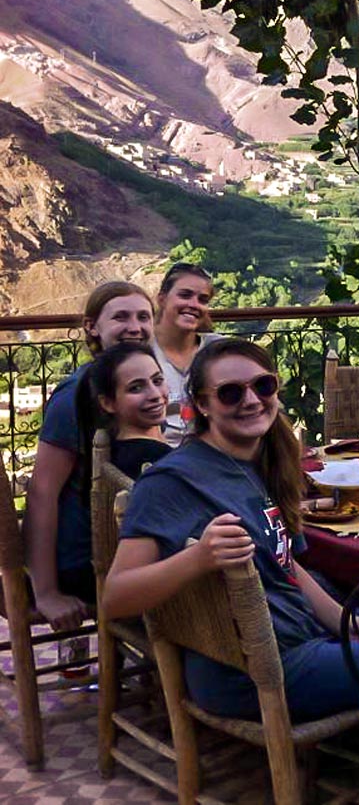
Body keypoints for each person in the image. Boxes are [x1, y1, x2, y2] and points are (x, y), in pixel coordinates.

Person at [102, 338, 359, 722]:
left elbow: (287, 567)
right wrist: (198, 558)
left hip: (302, 638)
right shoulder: (173, 482)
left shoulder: (261, 461)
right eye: (230, 393)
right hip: (249, 674)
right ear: (202, 405)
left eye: (263, 385)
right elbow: (115, 598)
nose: (251, 400)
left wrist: (350, 621)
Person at [23, 280, 155, 630]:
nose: (135, 326)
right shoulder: (76, 396)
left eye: (144, 316)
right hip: (89, 563)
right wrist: (47, 593)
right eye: (121, 317)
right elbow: (41, 494)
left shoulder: (134, 386)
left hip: (122, 548)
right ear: (92, 326)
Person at [151, 262, 221, 446]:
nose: (194, 305)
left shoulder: (218, 349)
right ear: (162, 299)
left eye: (203, 300)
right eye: (185, 295)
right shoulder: (141, 352)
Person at [88, 341, 172, 479]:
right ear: (108, 403)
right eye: (136, 388)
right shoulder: (154, 458)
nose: (156, 394)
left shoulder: (120, 447)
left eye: (157, 381)